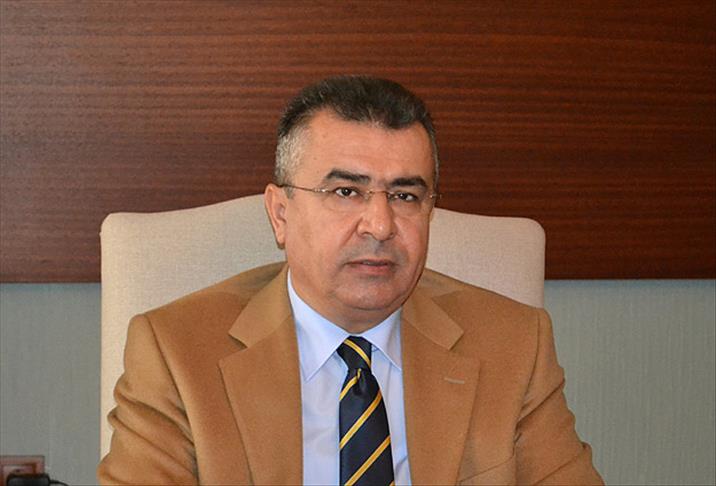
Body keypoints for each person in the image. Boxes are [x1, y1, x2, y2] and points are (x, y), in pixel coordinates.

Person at [98, 75, 603, 485]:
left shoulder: (514, 345)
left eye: (405, 196)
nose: (380, 226)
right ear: (280, 214)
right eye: (345, 192)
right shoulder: (177, 354)